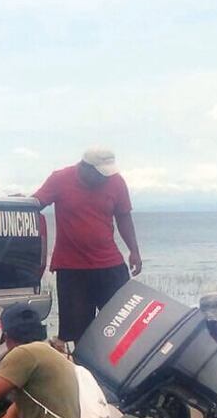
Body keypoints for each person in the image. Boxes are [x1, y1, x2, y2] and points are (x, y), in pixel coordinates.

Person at [33, 148, 142, 345]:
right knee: (77, 333)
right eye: (100, 174)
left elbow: (124, 216)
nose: (104, 178)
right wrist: (18, 202)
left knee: (122, 325)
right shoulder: (60, 179)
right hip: (72, 269)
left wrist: (134, 251)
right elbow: (36, 203)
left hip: (110, 266)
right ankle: (84, 370)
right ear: (85, 167)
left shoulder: (116, 181)